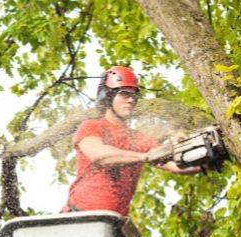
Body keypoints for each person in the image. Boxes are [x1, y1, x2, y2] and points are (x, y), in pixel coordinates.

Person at [63, 66, 200, 216]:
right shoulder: (92, 127)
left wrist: (204, 160)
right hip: (79, 216)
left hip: (115, 221)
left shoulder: (140, 139)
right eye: (124, 94)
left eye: (134, 96)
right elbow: (99, 154)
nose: (131, 100)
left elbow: (176, 165)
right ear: (108, 97)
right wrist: (143, 156)